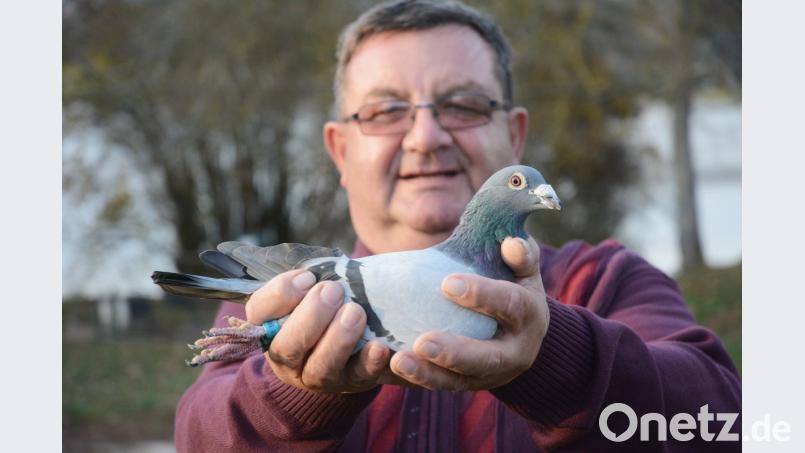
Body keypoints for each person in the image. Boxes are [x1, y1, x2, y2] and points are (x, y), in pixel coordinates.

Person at [174, 1, 741, 451]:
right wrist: (289, 394)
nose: (426, 138)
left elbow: (723, 424)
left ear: (514, 137)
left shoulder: (608, 281)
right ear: (339, 150)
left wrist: (553, 357)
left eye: (464, 105)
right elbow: (198, 438)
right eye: (385, 111)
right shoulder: (275, 301)